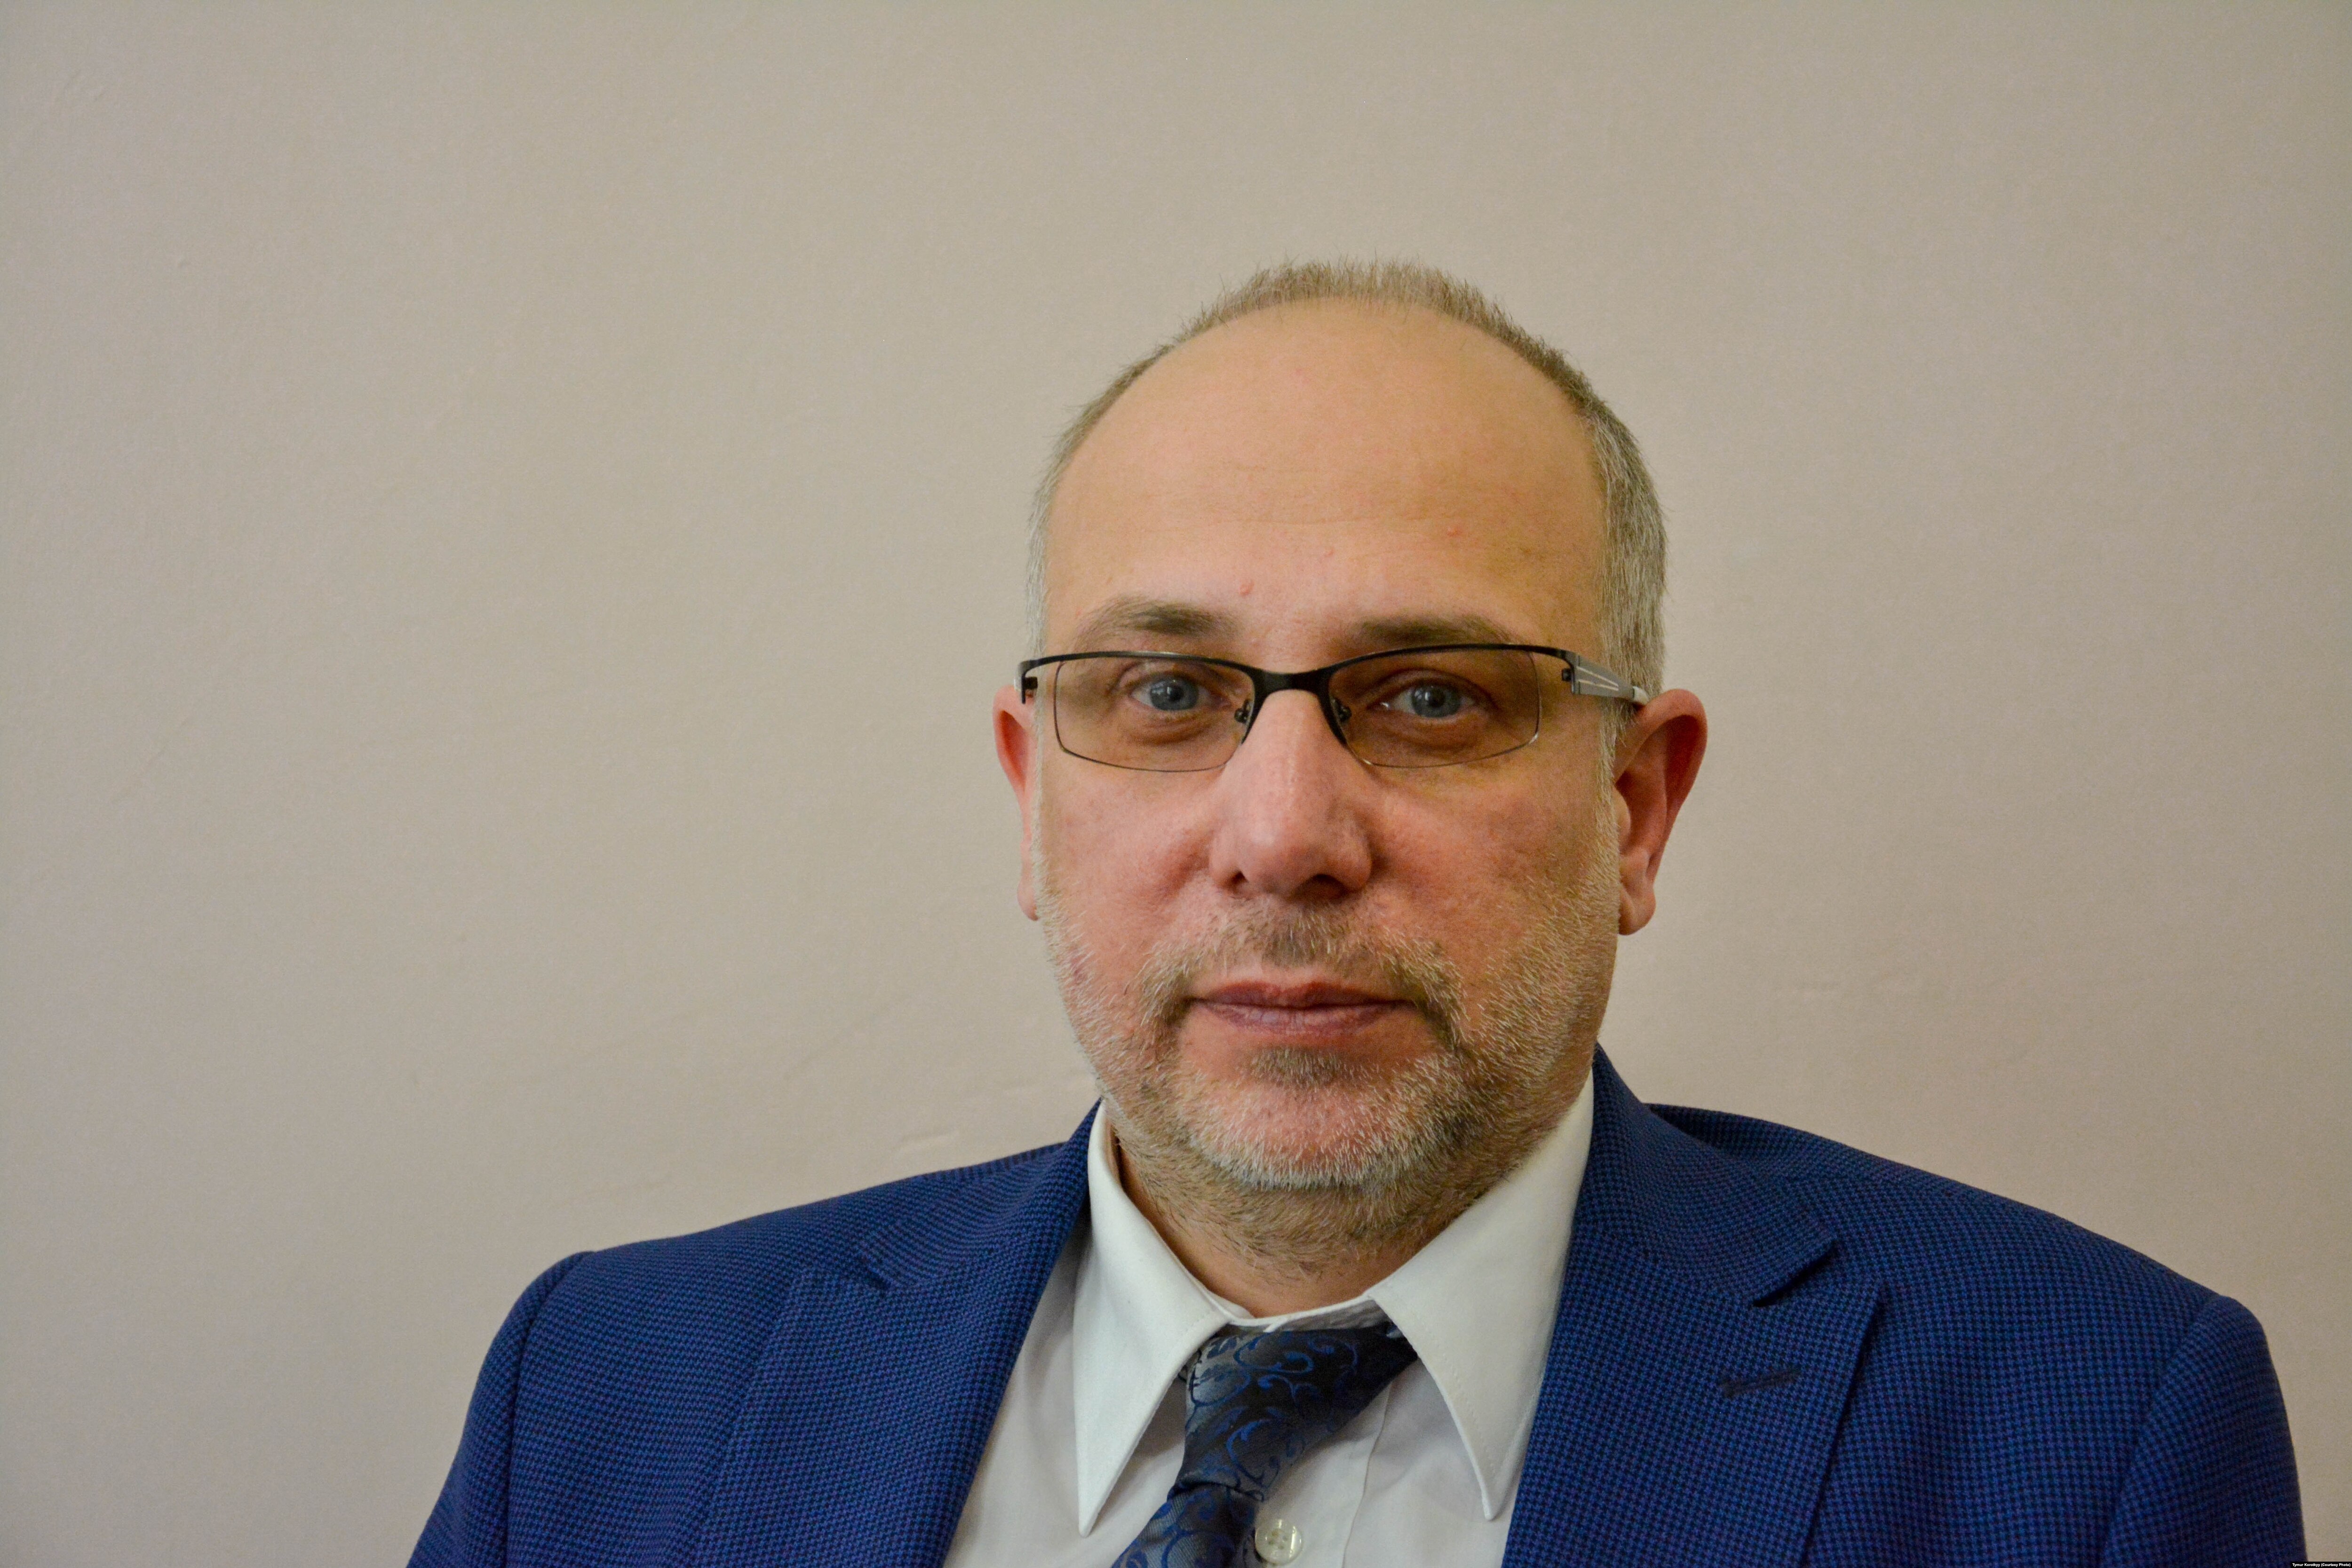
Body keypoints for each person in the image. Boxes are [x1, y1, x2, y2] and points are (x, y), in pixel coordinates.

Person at [410, 262, 2302, 1567]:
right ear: (1031, 796)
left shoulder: (2086, 1438)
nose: (1284, 836)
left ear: (1633, 809)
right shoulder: (602, 1400)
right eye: (1166, 695)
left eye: (1432, 698)